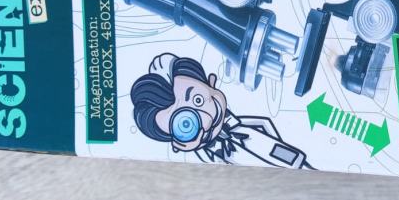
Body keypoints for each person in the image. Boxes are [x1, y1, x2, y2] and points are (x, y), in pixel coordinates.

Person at [130, 53, 312, 169]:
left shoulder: (237, 125)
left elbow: (264, 123)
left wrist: (272, 138)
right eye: (181, 124)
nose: (198, 119)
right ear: (175, 142)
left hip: (272, 148)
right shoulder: (206, 159)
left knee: (296, 162)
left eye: (198, 100)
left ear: (211, 82)